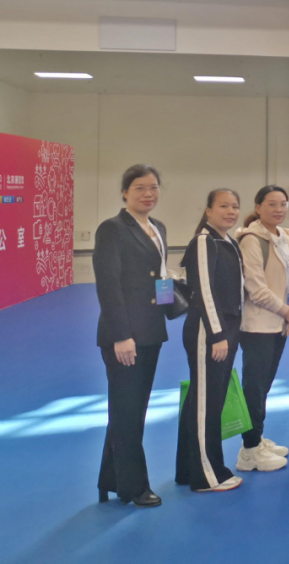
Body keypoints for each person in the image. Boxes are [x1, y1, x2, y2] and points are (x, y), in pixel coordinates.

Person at [94, 164, 170, 507]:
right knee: (127, 411)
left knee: (132, 409)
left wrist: (172, 302)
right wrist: (121, 335)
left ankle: (110, 479)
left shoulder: (158, 228)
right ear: (125, 192)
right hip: (124, 335)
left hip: (152, 330)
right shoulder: (112, 229)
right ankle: (134, 487)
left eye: (153, 187)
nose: (148, 194)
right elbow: (108, 285)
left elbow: (158, 275)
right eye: (140, 187)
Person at [176, 189, 244, 492]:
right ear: (208, 211)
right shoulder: (204, 241)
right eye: (223, 206)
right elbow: (204, 290)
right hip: (209, 332)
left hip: (227, 329)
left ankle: (187, 469)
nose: (230, 211)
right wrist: (217, 335)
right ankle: (207, 475)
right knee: (207, 404)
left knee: (204, 399)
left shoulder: (228, 242)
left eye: (234, 207)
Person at [234, 185, 289, 472]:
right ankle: (249, 451)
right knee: (255, 387)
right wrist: (288, 312)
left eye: (283, 204)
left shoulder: (285, 236)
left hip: (279, 323)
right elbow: (256, 289)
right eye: (271, 204)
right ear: (258, 207)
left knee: (264, 386)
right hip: (257, 325)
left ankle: (256, 439)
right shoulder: (251, 239)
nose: (279, 209)